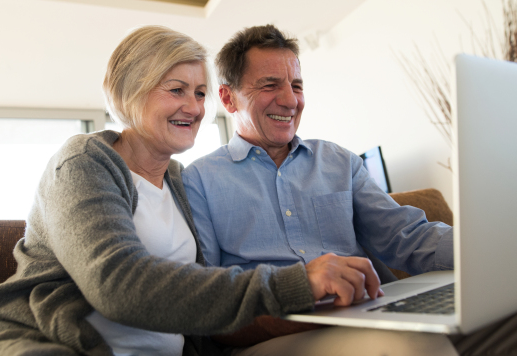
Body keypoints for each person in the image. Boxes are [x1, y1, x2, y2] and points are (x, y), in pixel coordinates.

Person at [0, 25, 388, 356]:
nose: (194, 108)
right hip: (45, 342)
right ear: (128, 93)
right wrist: (293, 283)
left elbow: (198, 290)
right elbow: (117, 284)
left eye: (199, 93)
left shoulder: (181, 180)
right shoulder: (83, 161)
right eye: (175, 90)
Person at [181, 24, 469, 355]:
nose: (290, 100)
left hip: (371, 310)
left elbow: (407, 238)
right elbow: (207, 299)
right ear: (229, 99)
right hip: (275, 334)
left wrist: (487, 249)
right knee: (411, 345)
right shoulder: (198, 181)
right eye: (270, 85)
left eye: (297, 85)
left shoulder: (339, 161)